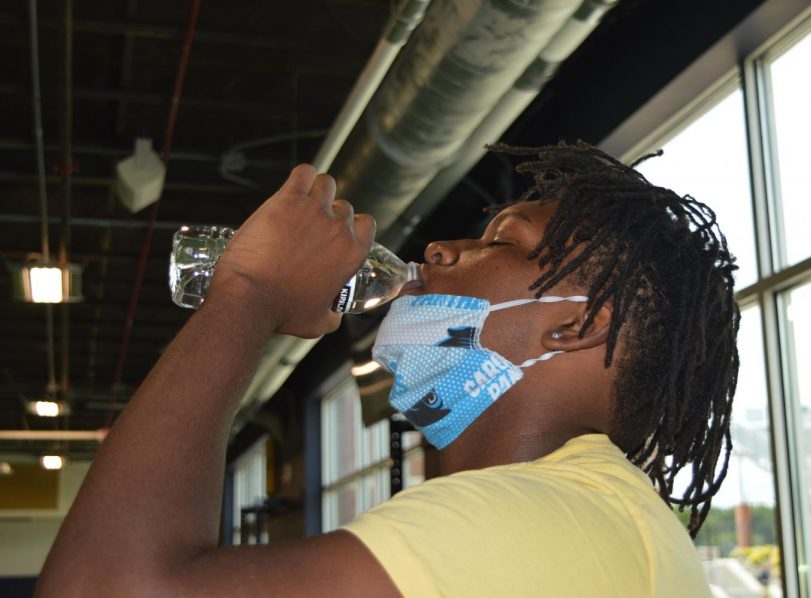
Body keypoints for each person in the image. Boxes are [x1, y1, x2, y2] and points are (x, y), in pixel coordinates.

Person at [36, 142, 739, 597]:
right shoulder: (577, 516)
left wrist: (247, 296)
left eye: (503, 241)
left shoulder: (538, 520)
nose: (439, 250)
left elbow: (101, 588)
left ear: (579, 325)